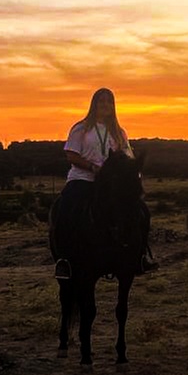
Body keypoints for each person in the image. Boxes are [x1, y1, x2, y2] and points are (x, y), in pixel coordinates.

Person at [51, 87, 155, 279]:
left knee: (140, 211)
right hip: (83, 179)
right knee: (65, 209)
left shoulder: (118, 132)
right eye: (101, 101)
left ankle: (140, 256)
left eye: (109, 102)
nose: (105, 105)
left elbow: (126, 156)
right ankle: (63, 260)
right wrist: (92, 167)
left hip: (111, 184)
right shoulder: (81, 128)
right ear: (94, 104)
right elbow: (71, 154)